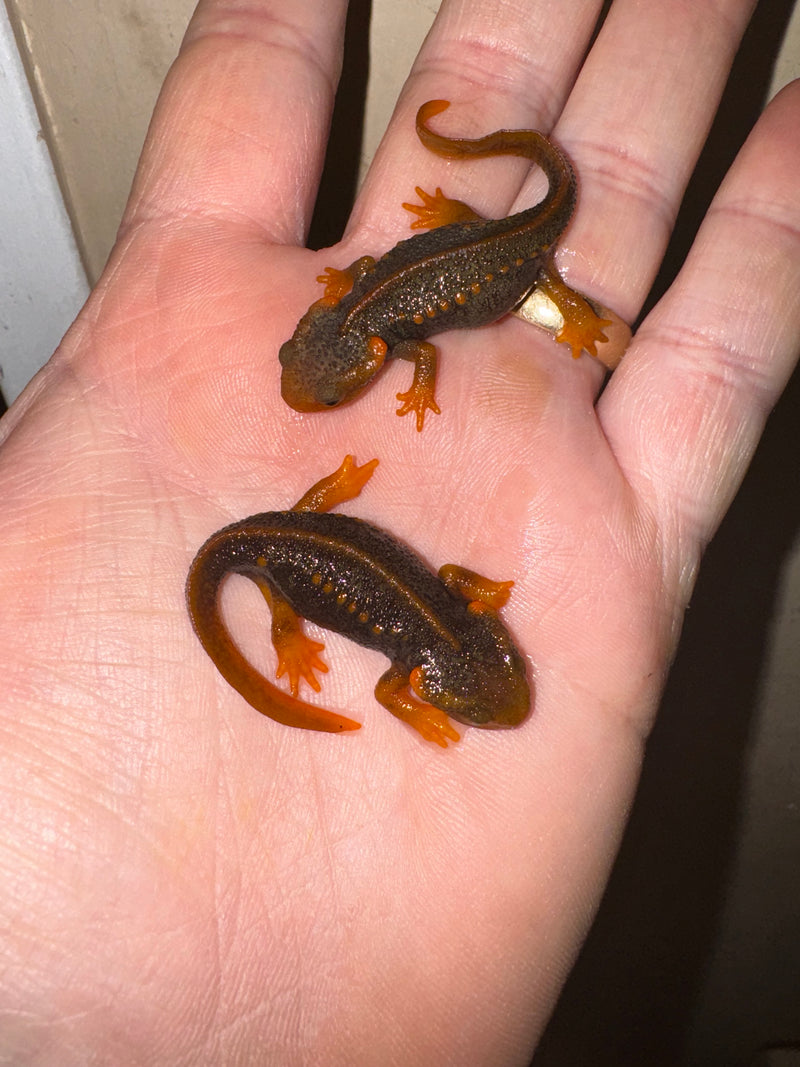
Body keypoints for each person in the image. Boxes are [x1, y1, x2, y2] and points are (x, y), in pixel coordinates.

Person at [0, 1, 797, 1062]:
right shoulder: (426, 596)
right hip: (293, 527)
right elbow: (407, 630)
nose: (494, 659)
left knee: (504, 270)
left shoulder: (430, 615)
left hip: (405, 383)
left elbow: (408, 644)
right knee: (292, 538)